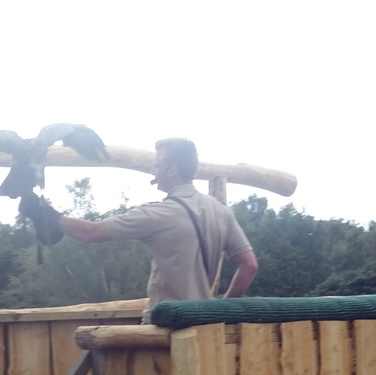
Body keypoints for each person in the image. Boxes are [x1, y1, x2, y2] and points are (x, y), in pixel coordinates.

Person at [19, 137, 258, 323]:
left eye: (156, 164)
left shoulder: (158, 214)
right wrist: (219, 309)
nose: (153, 170)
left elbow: (91, 233)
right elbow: (249, 265)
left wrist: (48, 215)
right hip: (205, 325)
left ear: (172, 169)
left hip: (166, 324)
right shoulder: (221, 211)